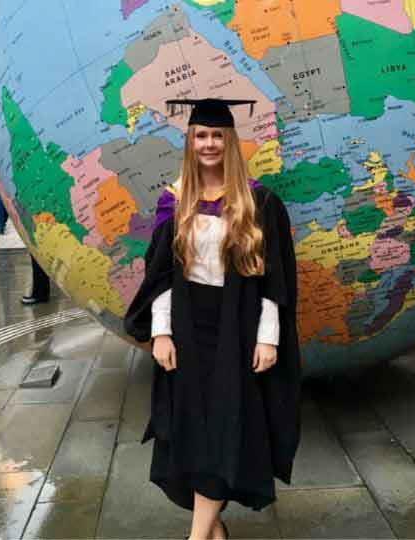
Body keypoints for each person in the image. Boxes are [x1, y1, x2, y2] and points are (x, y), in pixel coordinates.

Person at [123, 98, 301, 540]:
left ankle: (198, 536)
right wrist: (160, 333)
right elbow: (162, 275)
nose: (209, 144)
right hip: (187, 325)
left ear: (230, 141)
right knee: (193, 428)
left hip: (238, 328)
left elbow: (275, 281)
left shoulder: (258, 200)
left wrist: (269, 338)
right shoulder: (174, 200)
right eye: (201, 135)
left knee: (225, 425)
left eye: (217, 135)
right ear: (190, 140)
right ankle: (212, 529)